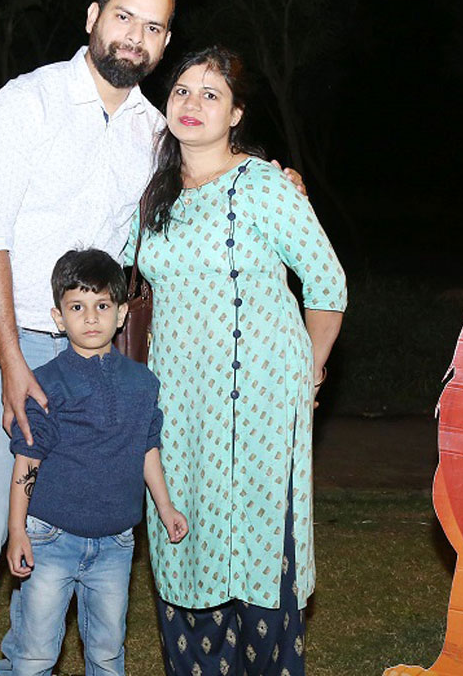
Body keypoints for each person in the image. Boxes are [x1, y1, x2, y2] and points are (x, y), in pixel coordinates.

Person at [0, 0, 176, 676]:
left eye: (153, 27)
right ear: (94, 16)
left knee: (61, 522)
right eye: (124, 17)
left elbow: (201, 193)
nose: (134, 37)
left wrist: (272, 177)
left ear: (163, 44)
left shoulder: (155, 134)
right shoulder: (27, 101)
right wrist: (13, 362)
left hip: (91, 354)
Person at [127, 46, 347, 676]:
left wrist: (309, 373)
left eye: (211, 94)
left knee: (256, 546)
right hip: (177, 406)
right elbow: (125, 287)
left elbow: (327, 283)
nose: (192, 104)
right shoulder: (153, 197)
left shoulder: (264, 186)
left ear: (236, 113)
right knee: (185, 540)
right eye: (182, 91)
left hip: (259, 407)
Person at [4, 248, 187, 676]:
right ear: (58, 317)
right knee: (36, 654)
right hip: (50, 538)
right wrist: (17, 531)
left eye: (102, 306)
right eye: (77, 307)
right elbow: (27, 460)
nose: (90, 318)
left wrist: (165, 507)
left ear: (121, 313)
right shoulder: (46, 383)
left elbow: (147, 448)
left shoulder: (143, 383)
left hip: (116, 544)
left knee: (107, 653)